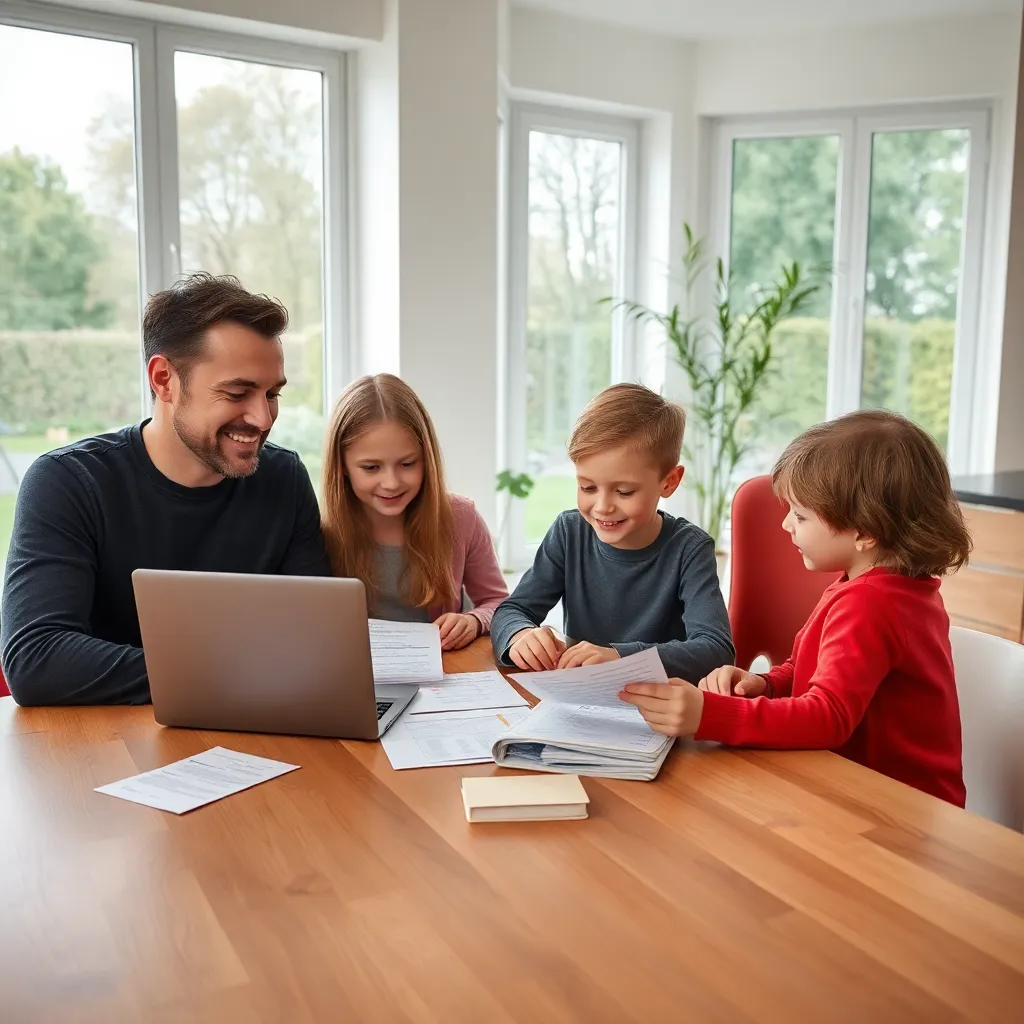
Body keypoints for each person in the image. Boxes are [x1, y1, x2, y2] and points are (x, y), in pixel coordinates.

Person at [0, 273, 331, 706]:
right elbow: (36, 658)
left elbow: (318, 644)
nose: (263, 419)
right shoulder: (68, 482)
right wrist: (229, 674)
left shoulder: (283, 479)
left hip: (249, 732)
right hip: (103, 750)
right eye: (237, 392)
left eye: (272, 394)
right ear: (164, 380)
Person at [620, 410, 970, 807]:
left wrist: (709, 716)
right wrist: (766, 685)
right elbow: (816, 669)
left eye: (800, 515)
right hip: (867, 795)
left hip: (897, 812)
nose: (786, 525)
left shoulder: (872, 604)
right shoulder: (876, 586)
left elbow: (828, 716)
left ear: (866, 531)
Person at [490, 383, 734, 679]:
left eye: (624, 491)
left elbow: (715, 649)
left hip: (658, 707)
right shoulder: (569, 533)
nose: (602, 507)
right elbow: (511, 611)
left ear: (669, 482)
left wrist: (620, 657)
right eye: (587, 487)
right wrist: (520, 635)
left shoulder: (689, 549)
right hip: (581, 699)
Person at [321, 374, 507, 649]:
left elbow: (500, 603)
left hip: (446, 672)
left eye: (408, 464)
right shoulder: (321, 531)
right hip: (360, 675)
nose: (392, 483)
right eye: (371, 468)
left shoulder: (461, 517)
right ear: (342, 467)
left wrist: (474, 621)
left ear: (427, 457)